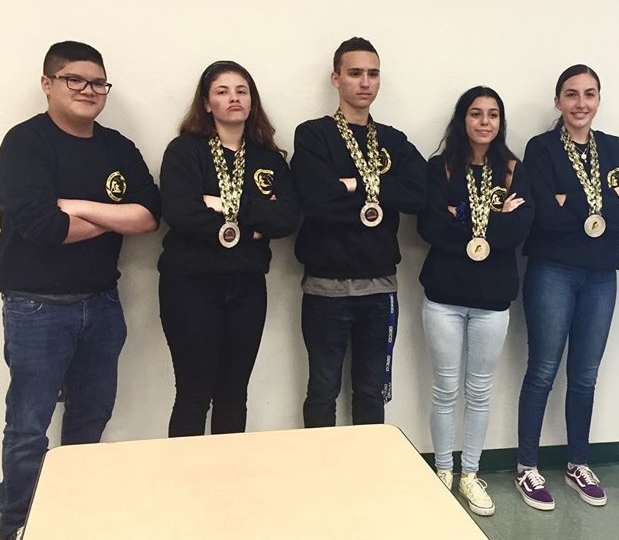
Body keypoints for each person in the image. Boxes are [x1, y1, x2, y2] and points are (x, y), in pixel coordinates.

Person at [0, 41, 161, 540]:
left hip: (102, 304)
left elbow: (149, 216)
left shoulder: (117, 147)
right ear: (48, 84)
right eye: (75, 80)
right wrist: (114, 218)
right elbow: (44, 228)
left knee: (91, 416)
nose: (89, 90)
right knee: (28, 426)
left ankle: (74, 517)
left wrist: (79, 207)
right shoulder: (24, 144)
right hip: (35, 307)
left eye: (98, 82)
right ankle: (19, 524)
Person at [514, 64, 619, 511]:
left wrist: (573, 201)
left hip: (600, 276)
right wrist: (606, 204)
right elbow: (542, 214)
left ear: (598, 100)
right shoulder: (542, 149)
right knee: (543, 370)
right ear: (558, 101)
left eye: (589, 94)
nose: (580, 103)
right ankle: (527, 466)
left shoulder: (615, 149)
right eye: (571, 94)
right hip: (552, 271)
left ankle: (577, 462)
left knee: (585, 376)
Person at [158, 60, 300, 437]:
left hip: (247, 287)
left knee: (234, 393)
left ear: (252, 101)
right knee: (193, 393)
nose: (234, 98)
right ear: (206, 103)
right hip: (191, 286)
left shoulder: (268, 157)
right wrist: (252, 225)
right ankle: (186, 486)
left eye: (242, 91)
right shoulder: (185, 151)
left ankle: (228, 485)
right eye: (222, 91)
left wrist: (222, 205)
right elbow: (180, 212)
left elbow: (286, 218)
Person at [291, 37, 427, 428]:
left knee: (371, 391)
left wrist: (353, 185)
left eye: (372, 73)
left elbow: (419, 194)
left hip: (380, 288)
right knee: (322, 389)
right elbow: (318, 201)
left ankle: (368, 476)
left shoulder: (393, 140)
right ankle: (321, 476)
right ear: (336, 79)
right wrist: (380, 191)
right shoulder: (314, 135)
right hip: (325, 288)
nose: (364, 82)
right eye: (354, 73)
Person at [418, 86, 534, 516]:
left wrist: (461, 219)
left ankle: (470, 473)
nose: (484, 122)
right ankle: (443, 471)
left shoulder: (513, 170)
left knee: (479, 391)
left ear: (500, 122)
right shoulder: (439, 169)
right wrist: (490, 221)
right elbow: (428, 227)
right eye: (475, 114)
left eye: (492, 115)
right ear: (462, 120)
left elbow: (516, 233)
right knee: (445, 388)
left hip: (492, 301)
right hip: (444, 297)